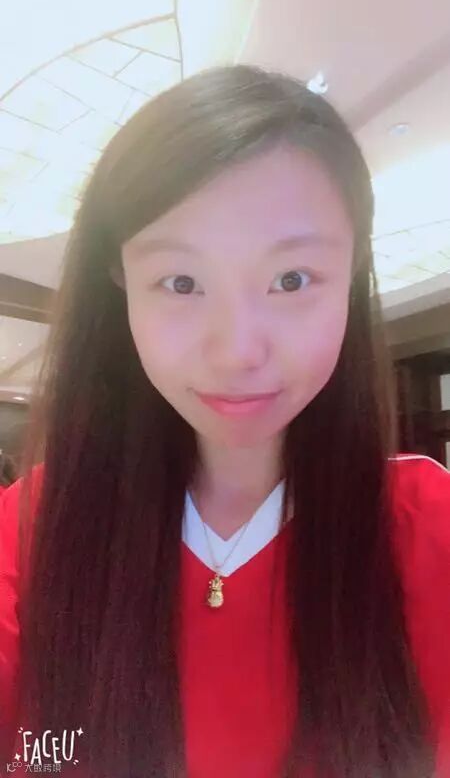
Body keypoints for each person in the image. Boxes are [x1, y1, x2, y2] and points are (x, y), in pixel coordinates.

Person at [0, 65, 449, 778]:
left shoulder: (429, 525)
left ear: (352, 275)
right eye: (181, 283)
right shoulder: (31, 530)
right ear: (121, 285)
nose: (238, 351)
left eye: (292, 280)